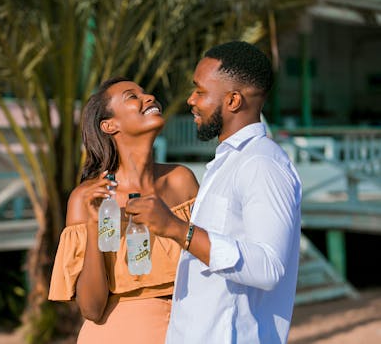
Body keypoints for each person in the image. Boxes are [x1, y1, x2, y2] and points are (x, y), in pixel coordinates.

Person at [126, 41, 302, 343]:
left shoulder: (261, 164)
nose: (191, 100)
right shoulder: (228, 162)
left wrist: (177, 229)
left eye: (200, 91)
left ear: (233, 100)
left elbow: (269, 267)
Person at [48, 76, 199, 343]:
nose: (149, 97)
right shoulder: (87, 198)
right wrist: (95, 227)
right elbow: (91, 309)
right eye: (132, 96)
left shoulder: (181, 181)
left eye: (145, 92)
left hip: (189, 329)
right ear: (109, 125)